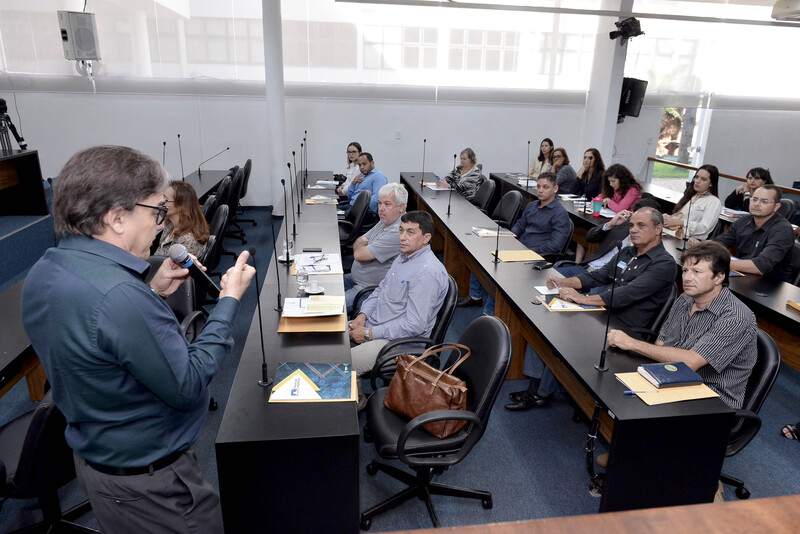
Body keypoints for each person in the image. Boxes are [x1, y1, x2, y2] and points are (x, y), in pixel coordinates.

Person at [21, 145, 256, 534]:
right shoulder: (120, 297)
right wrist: (229, 303)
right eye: (156, 212)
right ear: (117, 218)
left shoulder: (45, 271)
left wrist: (152, 290)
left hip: (101, 467)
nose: (161, 225)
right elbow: (187, 384)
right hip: (153, 488)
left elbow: (98, 337)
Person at [506, 207, 677, 410]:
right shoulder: (628, 252)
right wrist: (564, 282)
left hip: (623, 328)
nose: (633, 230)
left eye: (641, 225)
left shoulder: (664, 264)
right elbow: (597, 276)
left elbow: (625, 294)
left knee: (560, 332)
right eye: (631, 225)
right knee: (545, 319)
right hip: (602, 314)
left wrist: (582, 298)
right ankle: (535, 386)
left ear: (658, 229)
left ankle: (540, 393)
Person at [607, 241, 757, 410]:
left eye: (697, 272)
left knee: (632, 410)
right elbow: (662, 343)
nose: (687, 278)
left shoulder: (736, 316)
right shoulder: (686, 299)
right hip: (674, 379)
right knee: (614, 389)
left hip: (711, 400)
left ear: (719, 277)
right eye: (685, 270)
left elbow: (690, 362)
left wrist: (632, 343)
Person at [349, 211, 448, 375]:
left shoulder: (428, 273)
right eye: (401, 230)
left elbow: (414, 325)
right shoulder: (403, 257)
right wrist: (363, 315)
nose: (402, 237)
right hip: (376, 325)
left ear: (426, 238)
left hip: (397, 344)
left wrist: (368, 334)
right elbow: (380, 289)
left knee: (342, 364)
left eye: (410, 232)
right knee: (330, 339)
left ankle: (355, 390)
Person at [458, 172, 571, 315]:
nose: (540, 190)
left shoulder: (560, 214)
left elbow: (555, 245)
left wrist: (527, 251)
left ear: (555, 189)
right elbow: (519, 225)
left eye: (545, 187)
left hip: (538, 257)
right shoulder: (532, 206)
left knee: (503, 272)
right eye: (538, 187)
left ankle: (489, 313)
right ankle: (475, 296)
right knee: (483, 254)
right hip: (519, 249)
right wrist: (510, 238)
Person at [556, 198, 662, 279]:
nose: (634, 228)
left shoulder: (647, 245)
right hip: (586, 268)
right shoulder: (622, 224)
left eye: (641, 224)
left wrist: (630, 245)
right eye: (633, 222)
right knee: (551, 277)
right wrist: (610, 224)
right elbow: (589, 237)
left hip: (604, 279)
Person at [707, 184, 794, 282]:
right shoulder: (743, 221)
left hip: (771, 284)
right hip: (744, 277)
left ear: (776, 207)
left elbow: (761, 266)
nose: (757, 204)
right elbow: (719, 243)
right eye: (754, 199)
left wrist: (718, 263)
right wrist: (700, 247)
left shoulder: (783, 230)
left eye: (764, 201)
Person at [344, 183, 406, 313]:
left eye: (387, 204)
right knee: (323, 287)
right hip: (355, 278)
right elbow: (359, 241)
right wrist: (363, 248)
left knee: (328, 307)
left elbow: (359, 255)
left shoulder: (398, 231)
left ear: (401, 207)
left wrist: (363, 248)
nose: (381, 209)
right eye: (379, 203)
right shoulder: (385, 221)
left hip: (367, 290)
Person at [662, 164, 722, 240]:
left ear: (711, 183)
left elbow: (704, 228)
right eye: (696, 177)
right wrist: (667, 218)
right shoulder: (691, 196)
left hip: (690, 241)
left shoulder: (714, 202)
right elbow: (678, 218)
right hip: (673, 235)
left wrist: (680, 222)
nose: (697, 181)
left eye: (703, 179)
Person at [154, 180, 210, 258]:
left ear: (180, 205)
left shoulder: (188, 240)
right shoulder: (170, 224)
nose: (160, 203)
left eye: (165, 200)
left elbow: (175, 265)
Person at [573, 148, 606, 261]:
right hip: (585, 209)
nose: (587, 160)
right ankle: (577, 263)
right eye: (585, 157)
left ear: (596, 159)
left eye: (590, 158)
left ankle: (584, 262)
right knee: (580, 236)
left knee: (586, 235)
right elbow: (572, 192)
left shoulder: (601, 175)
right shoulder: (585, 173)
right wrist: (580, 173)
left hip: (595, 211)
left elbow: (602, 195)